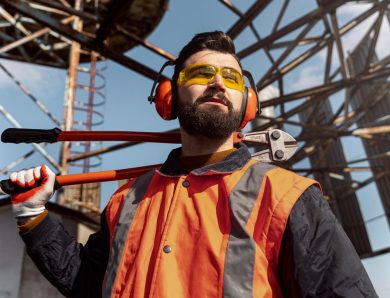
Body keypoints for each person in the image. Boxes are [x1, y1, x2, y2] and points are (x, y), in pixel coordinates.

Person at [9, 31, 377, 298]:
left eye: (230, 77)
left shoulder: (288, 197)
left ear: (246, 103)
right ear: (168, 99)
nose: (217, 82)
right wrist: (33, 217)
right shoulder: (126, 201)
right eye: (201, 75)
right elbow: (87, 284)